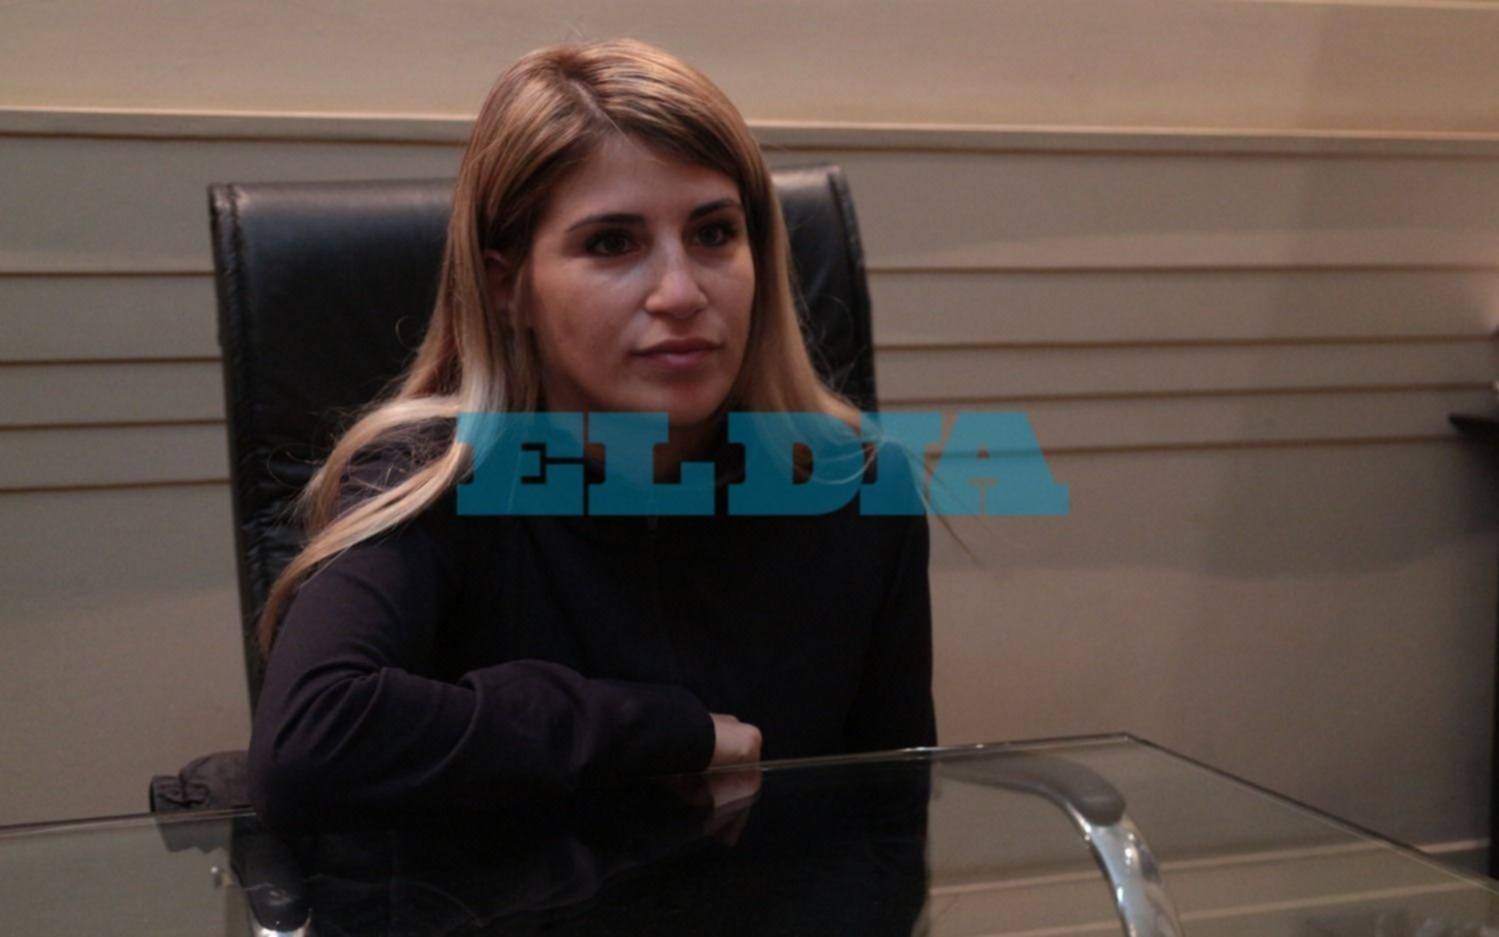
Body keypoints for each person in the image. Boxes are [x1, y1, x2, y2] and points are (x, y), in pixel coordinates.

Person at [247, 38, 935, 830]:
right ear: (509, 287)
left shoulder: (856, 486)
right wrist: (660, 731)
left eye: (714, 233)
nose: (680, 292)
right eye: (612, 243)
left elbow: (892, 820)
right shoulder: (431, 479)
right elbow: (308, 739)